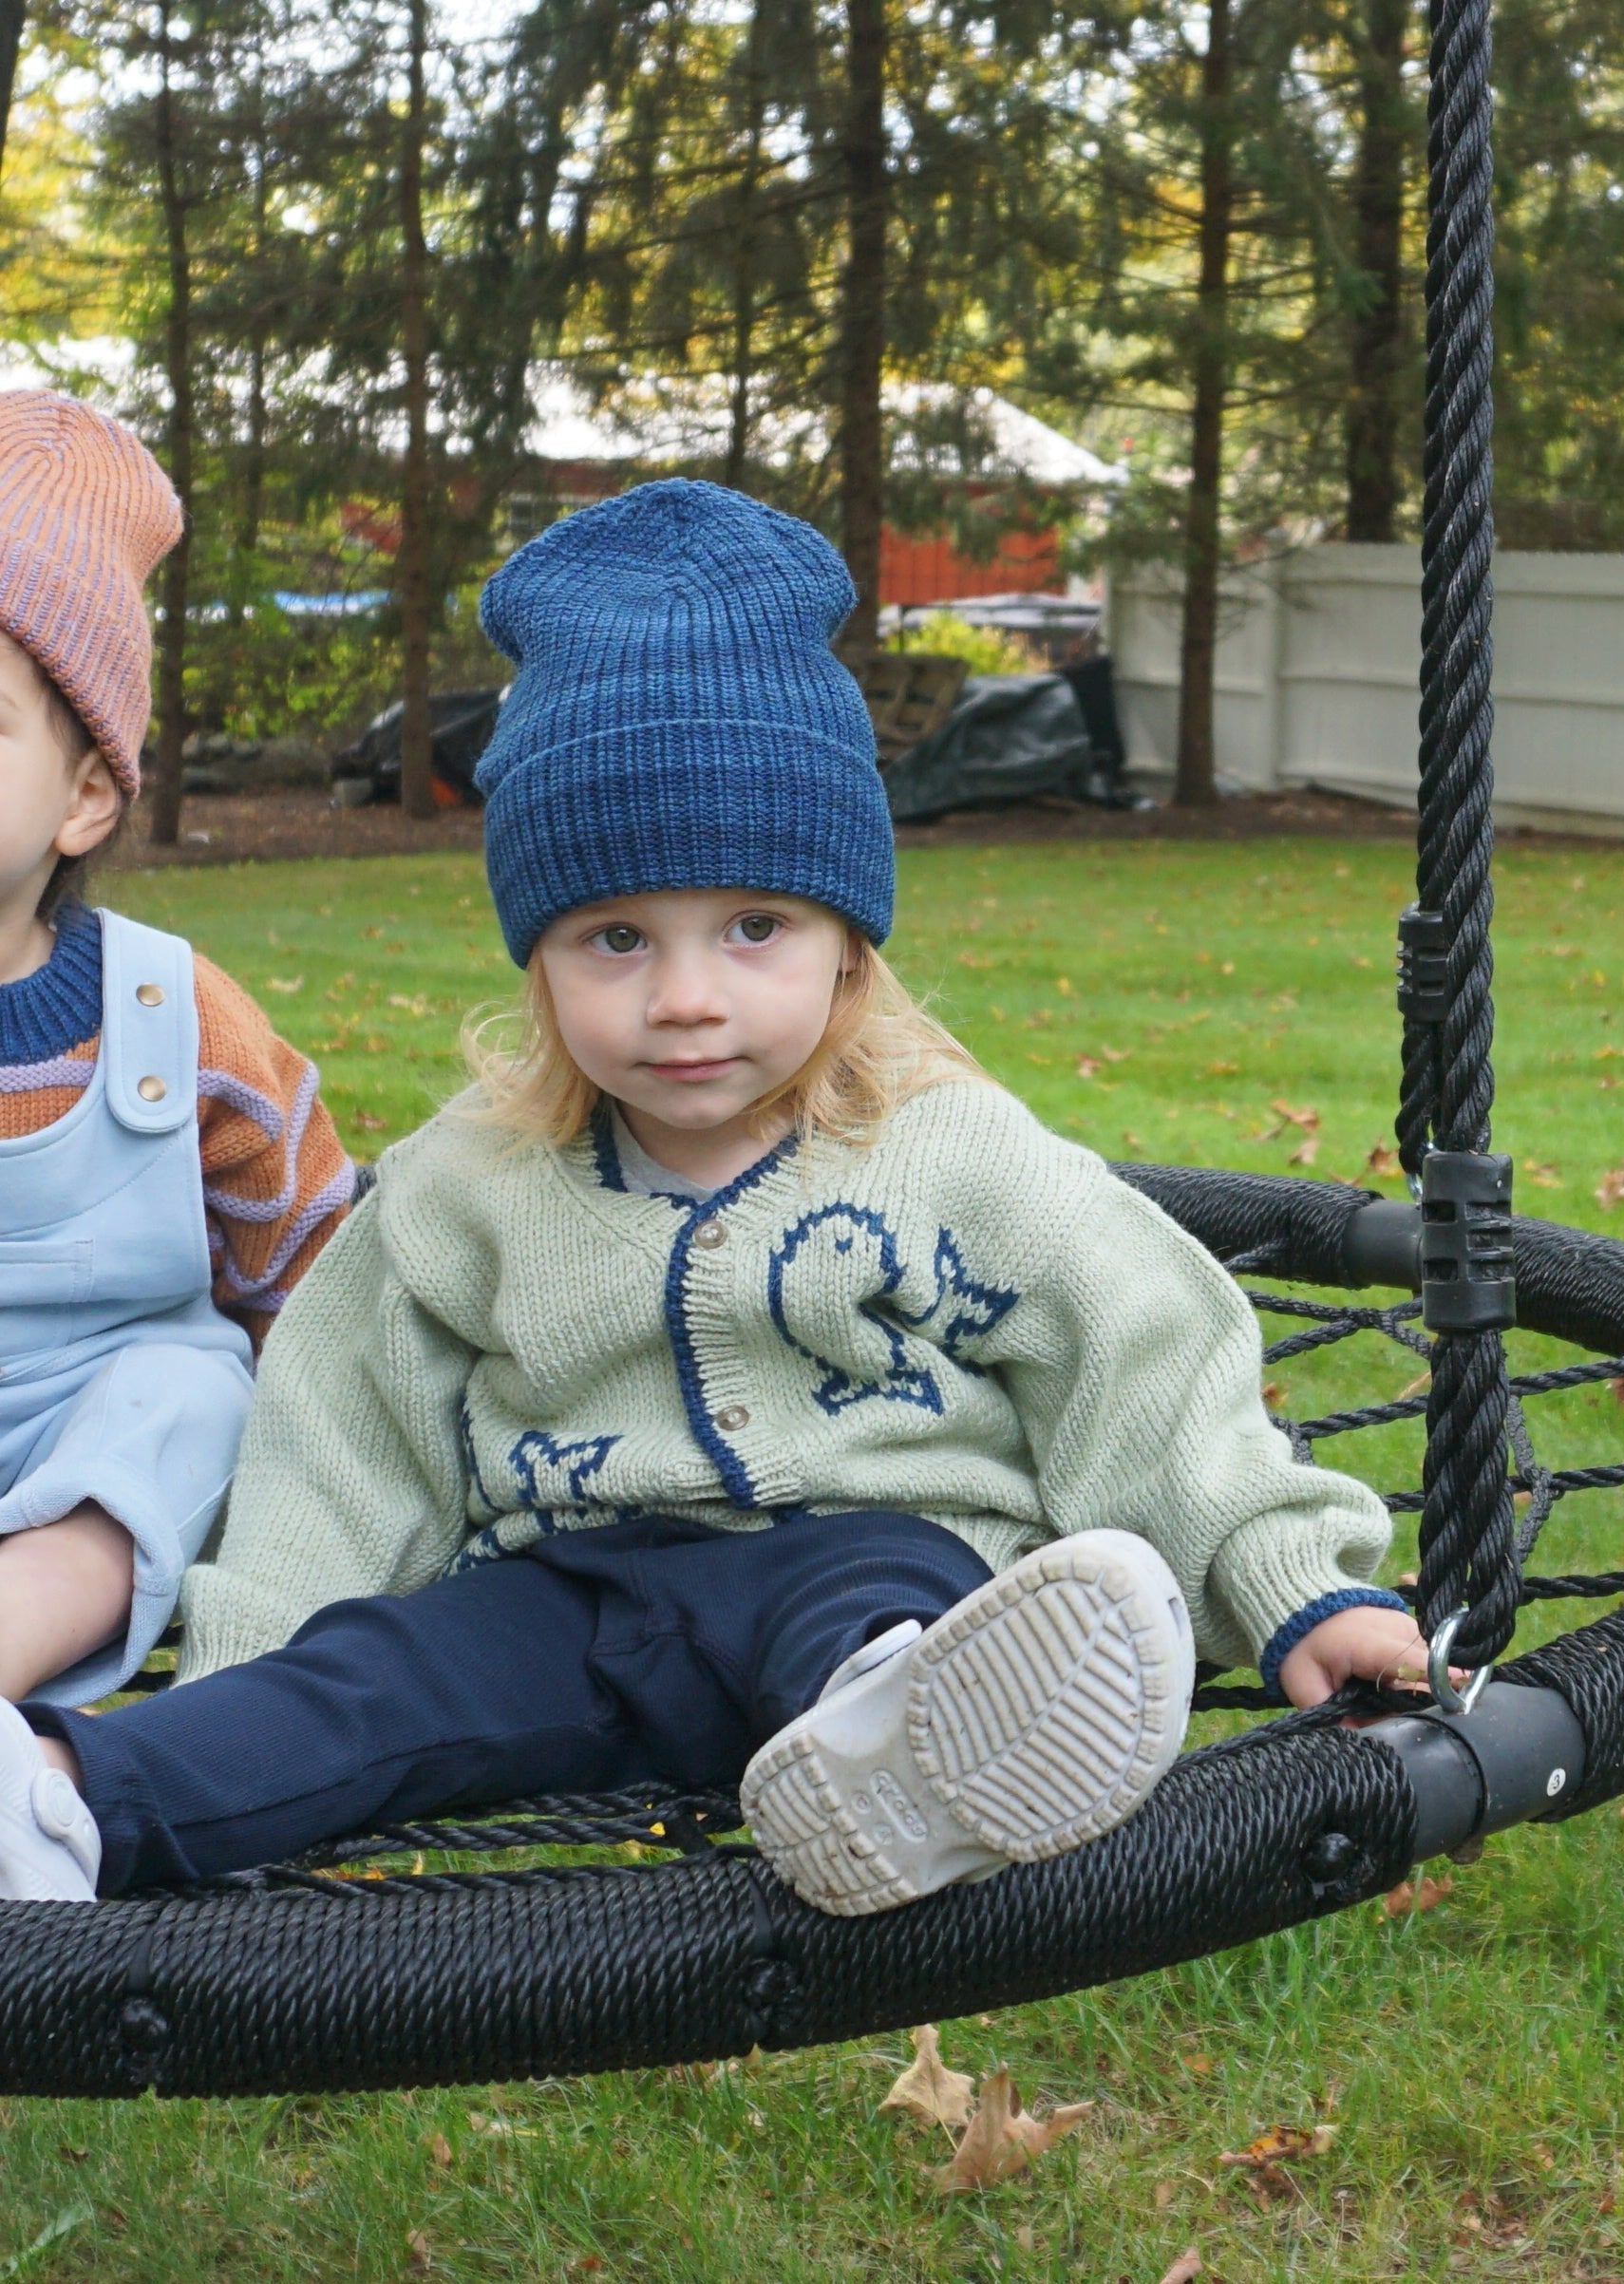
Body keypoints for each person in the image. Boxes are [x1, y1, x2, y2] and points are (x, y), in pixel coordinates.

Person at [0, 480, 1428, 1914]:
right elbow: (339, 1439)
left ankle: (913, 1734)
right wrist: (264, 1682)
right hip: (563, 1600)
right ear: (539, 961)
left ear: (847, 942)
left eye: (755, 928)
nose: (685, 999)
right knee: (387, 1676)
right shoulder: (465, 1188)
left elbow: (1147, 1355)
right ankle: (59, 1809)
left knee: (877, 1602)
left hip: (870, 1555)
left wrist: (1288, 1578)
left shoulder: (951, 1155)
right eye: (615, 937)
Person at [0, 391, 353, 1721]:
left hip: (96, 1456)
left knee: (188, 1394)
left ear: (87, 794)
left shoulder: (171, 1014)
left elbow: (310, 1270)